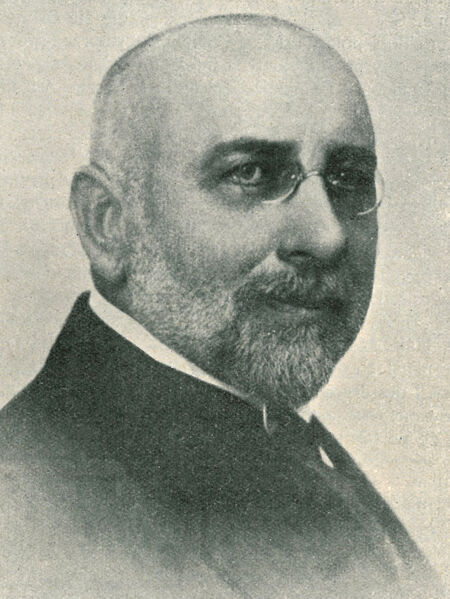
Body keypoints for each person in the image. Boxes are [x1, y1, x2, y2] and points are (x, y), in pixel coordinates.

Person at [0, 14, 442, 599]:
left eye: (348, 177)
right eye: (251, 174)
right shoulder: (31, 505)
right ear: (108, 224)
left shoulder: (283, 437)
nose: (327, 235)